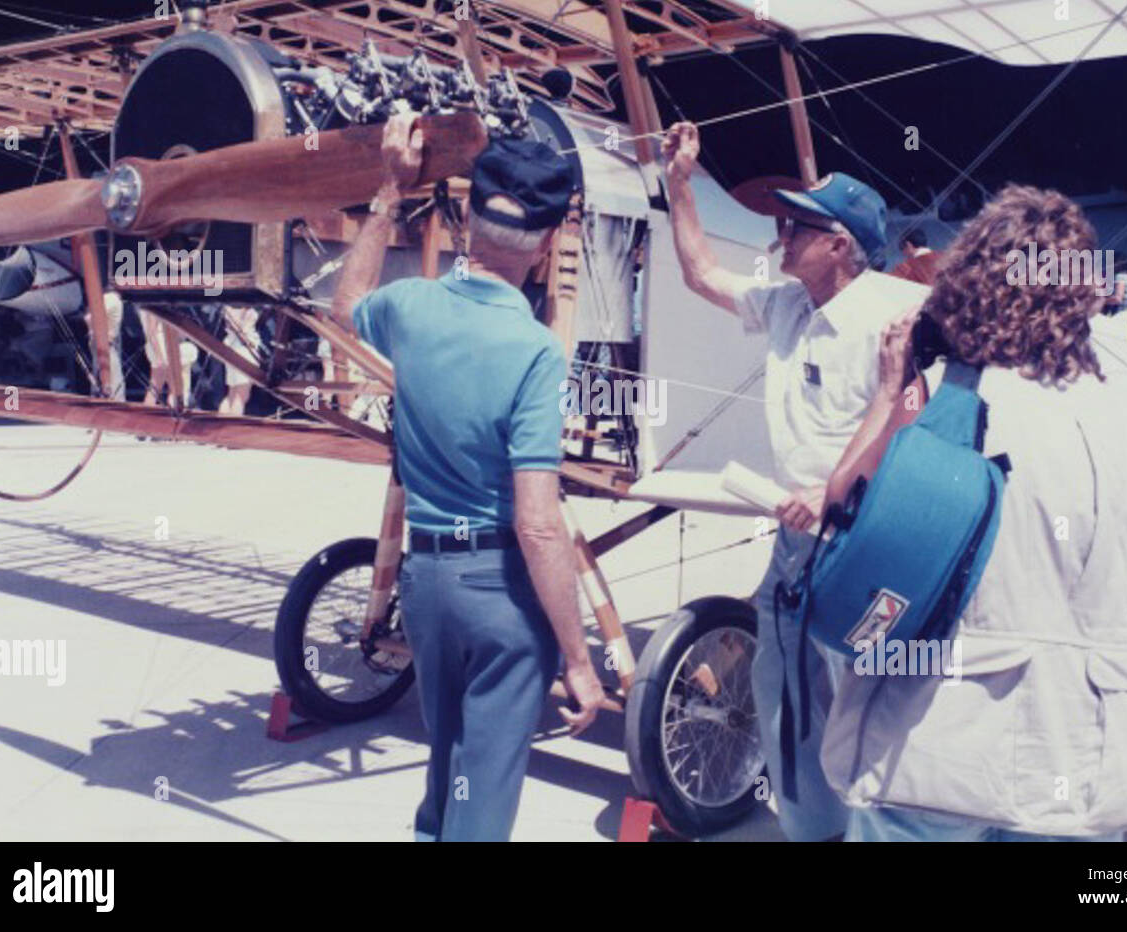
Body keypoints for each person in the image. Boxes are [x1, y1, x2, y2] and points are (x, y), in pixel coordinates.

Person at [819, 184, 1127, 841]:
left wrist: (889, 390)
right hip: (1085, 764)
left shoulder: (959, 403)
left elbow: (845, 514)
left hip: (941, 757)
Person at [330, 114, 602, 841]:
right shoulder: (537, 352)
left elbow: (346, 303)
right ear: (546, 242)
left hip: (427, 585)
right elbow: (538, 521)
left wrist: (388, 190)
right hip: (500, 595)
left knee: (446, 770)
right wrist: (578, 660)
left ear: (469, 216)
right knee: (481, 799)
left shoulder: (412, 309)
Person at [661, 120, 926, 841]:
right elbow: (699, 274)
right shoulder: (787, 304)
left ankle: (871, 829)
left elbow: (913, 428)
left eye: (797, 225)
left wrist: (833, 491)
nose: (781, 233)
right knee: (782, 697)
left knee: (859, 704)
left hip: (861, 542)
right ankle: (812, 829)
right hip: (793, 540)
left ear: (840, 244)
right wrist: (679, 184)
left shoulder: (894, 315)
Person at [218, 306, 259, 416]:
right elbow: (239, 327)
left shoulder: (227, 304)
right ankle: (230, 429)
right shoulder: (242, 303)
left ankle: (221, 426)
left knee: (232, 393)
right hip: (243, 348)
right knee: (241, 395)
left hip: (232, 345)